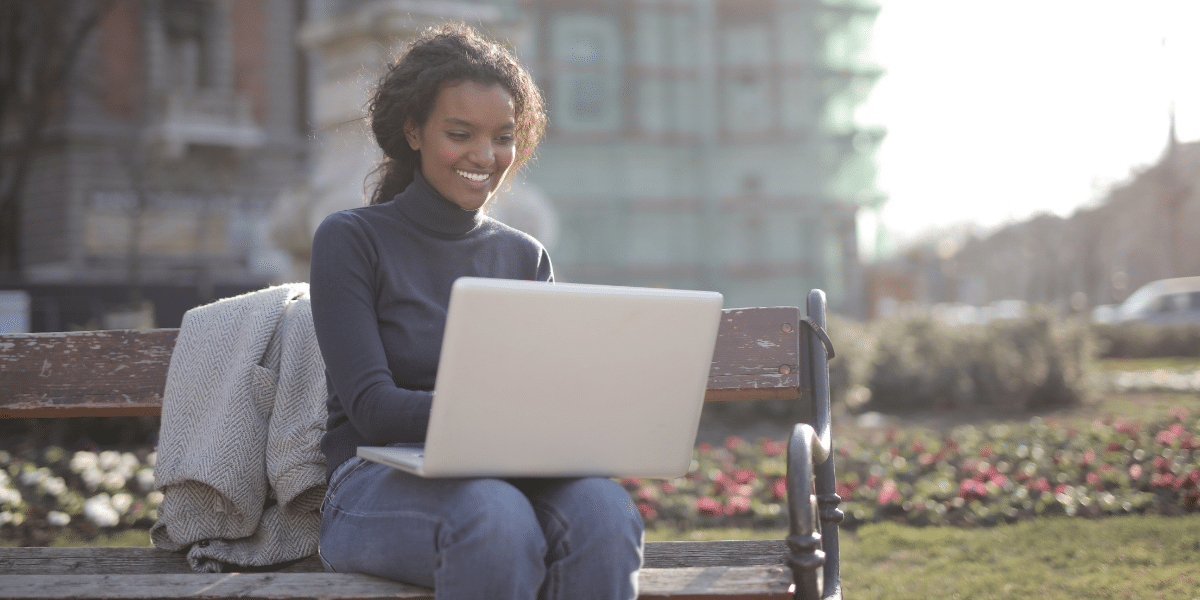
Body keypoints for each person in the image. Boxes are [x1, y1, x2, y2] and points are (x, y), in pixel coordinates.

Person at [308, 22, 644, 600]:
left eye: (504, 137)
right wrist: (503, 414)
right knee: (493, 518)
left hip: (505, 470)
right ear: (413, 131)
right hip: (377, 480)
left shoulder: (523, 255)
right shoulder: (351, 239)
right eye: (460, 134)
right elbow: (373, 409)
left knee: (605, 510)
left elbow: (538, 395)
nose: (485, 157)